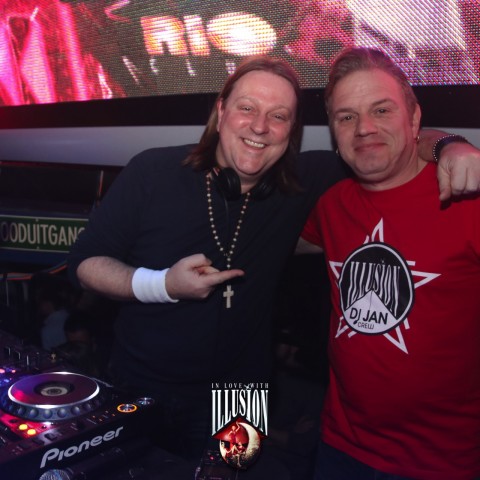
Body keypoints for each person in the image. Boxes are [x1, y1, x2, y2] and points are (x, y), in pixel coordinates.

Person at [68, 54, 480, 463]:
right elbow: (85, 265)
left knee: (235, 473)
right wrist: (163, 285)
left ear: (291, 132)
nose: (260, 126)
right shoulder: (153, 171)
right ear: (221, 112)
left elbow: (388, 141)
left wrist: (450, 145)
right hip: (141, 385)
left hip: (245, 395)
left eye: (278, 116)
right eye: (247, 108)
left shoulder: (304, 183)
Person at [300, 47, 480, 480]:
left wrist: (452, 143)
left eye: (382, 110)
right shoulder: (330, 204)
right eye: (346, 117)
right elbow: (271, 249)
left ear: (414, 119)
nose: (364, 128)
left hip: (441, 462)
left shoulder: (467, 197)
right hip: (340, 446)